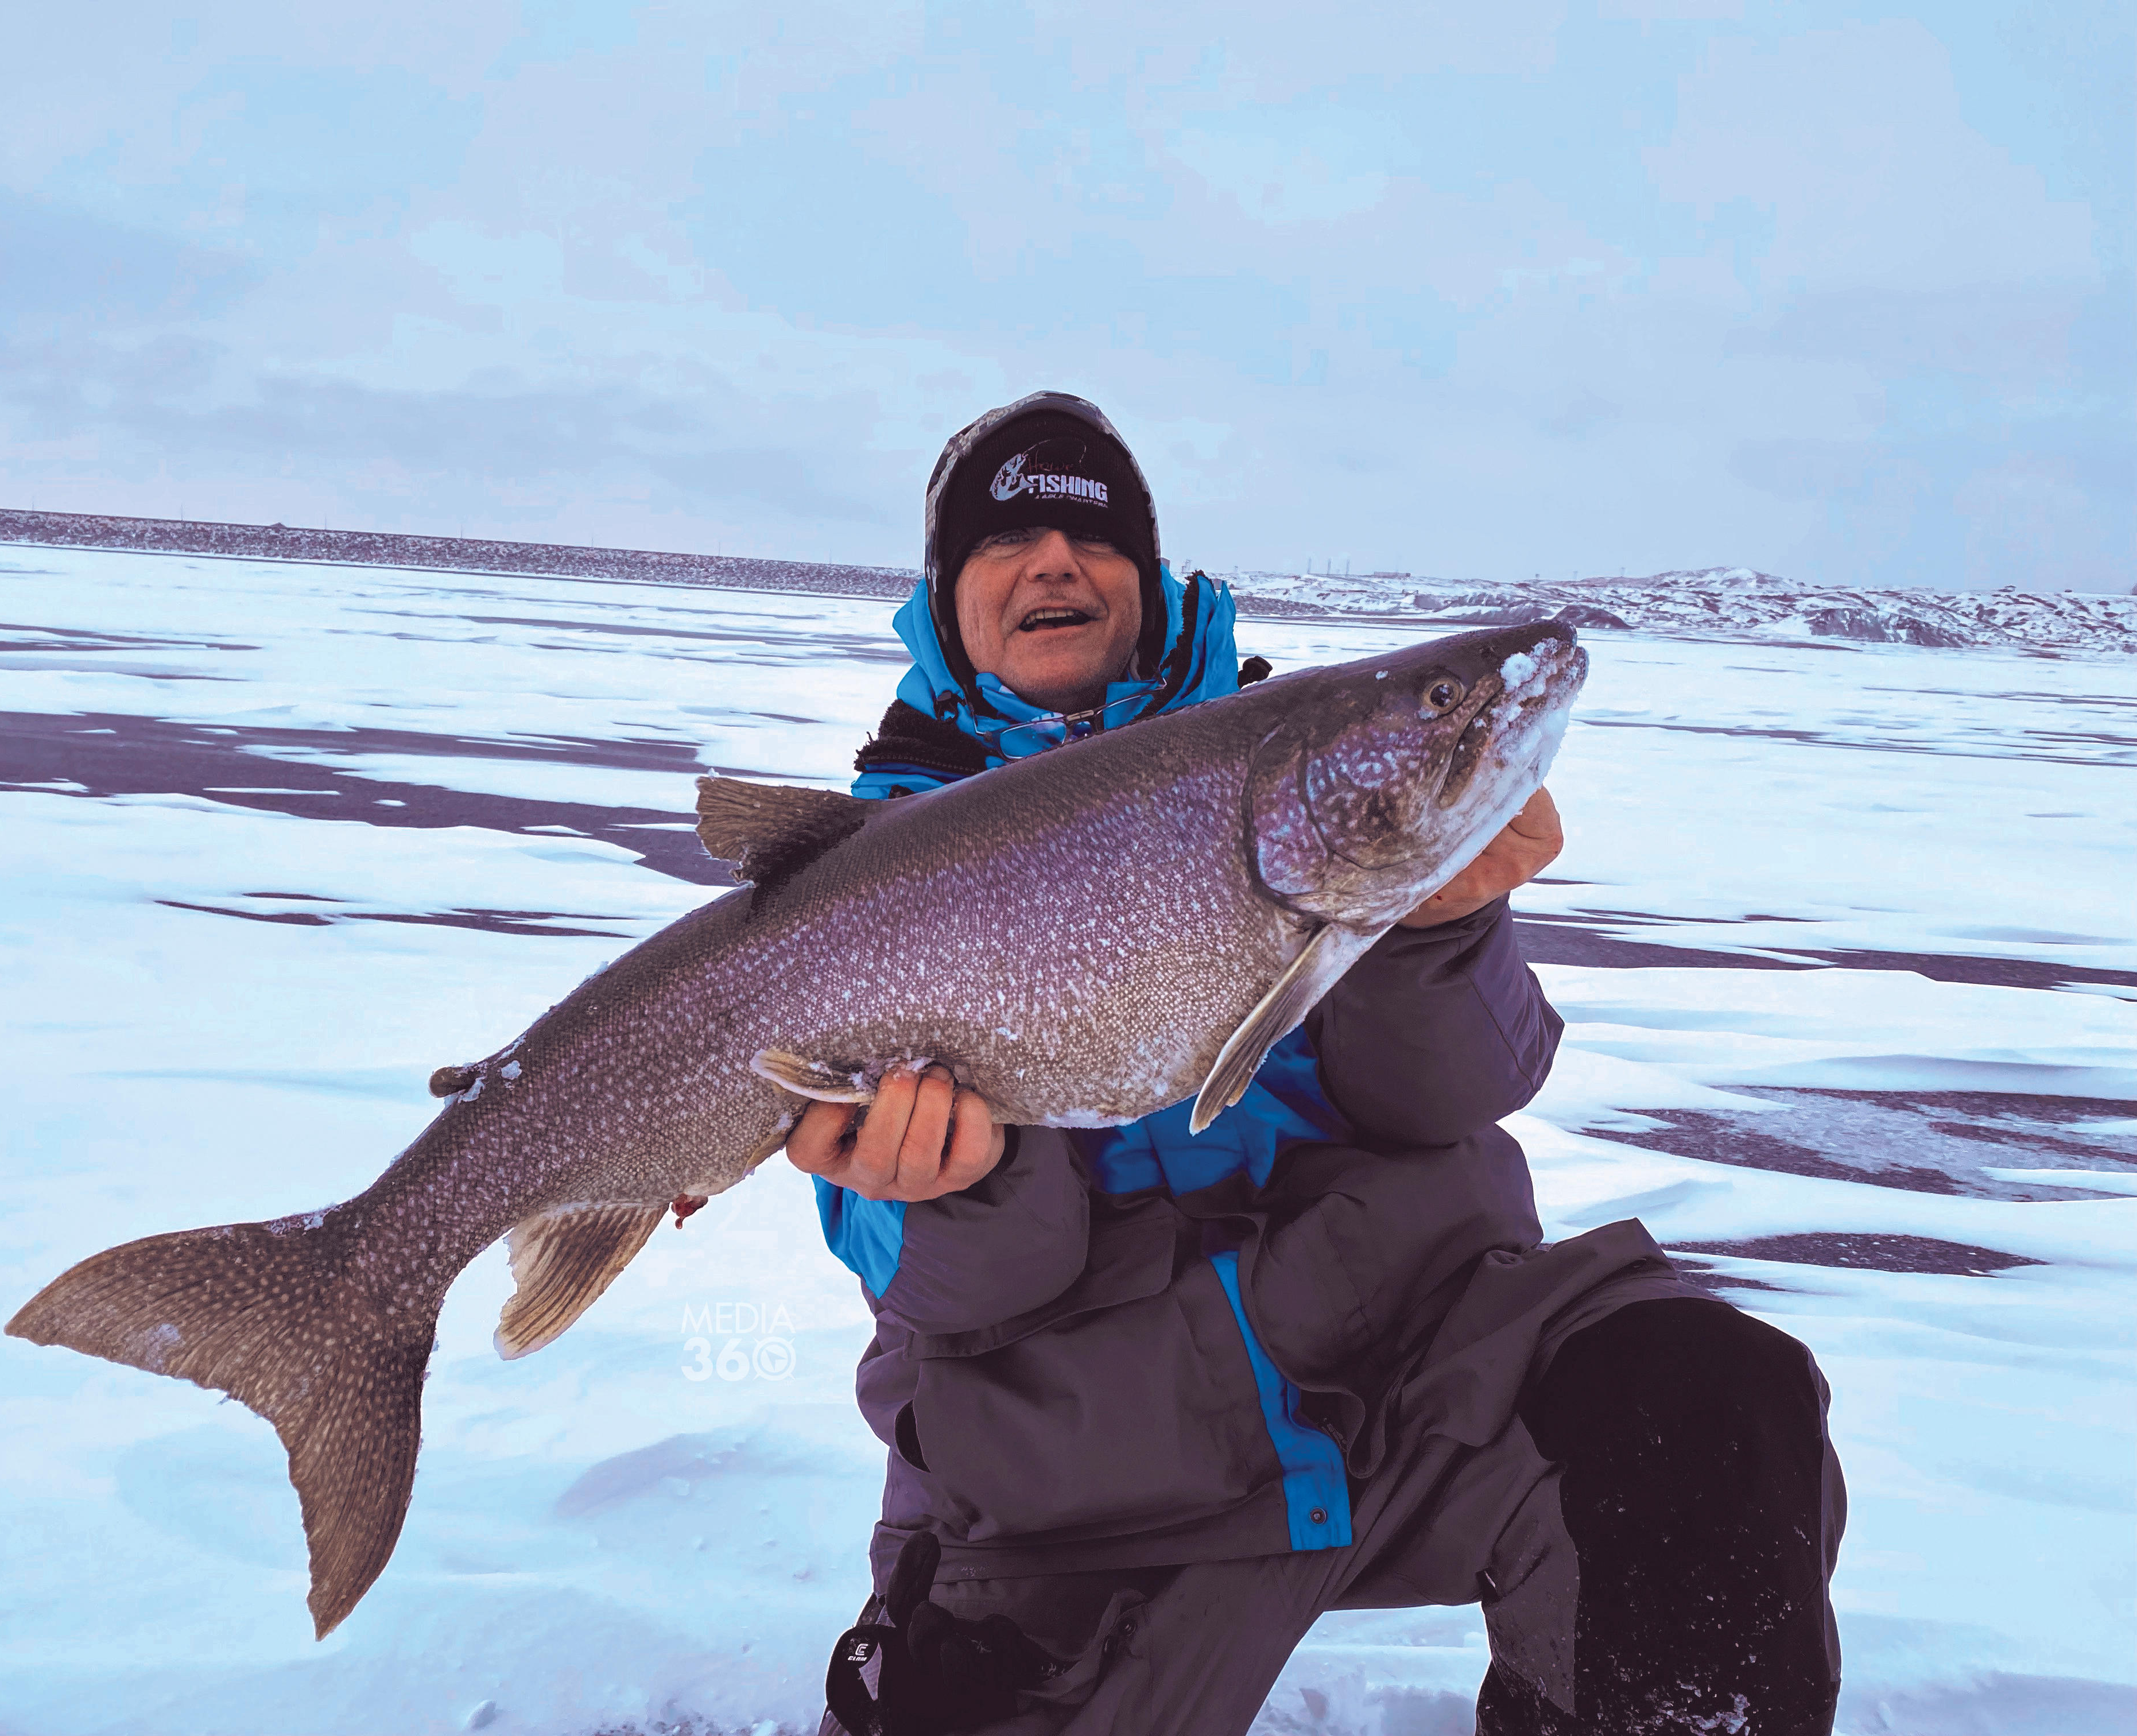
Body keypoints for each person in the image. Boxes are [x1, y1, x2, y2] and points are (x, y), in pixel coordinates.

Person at [790, 393, 1844, 1736]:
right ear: (947, 602)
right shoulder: (851, 897)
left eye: (1094, 537)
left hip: (1406, 1385)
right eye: (1007, 541)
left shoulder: (1309, 769)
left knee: (1703, 1405)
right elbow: (970, 1291)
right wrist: (960, 1187)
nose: (1056, 562)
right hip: (1066, 1473)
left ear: (1151, 581)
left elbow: (1444, 1099)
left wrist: (1439, 933)